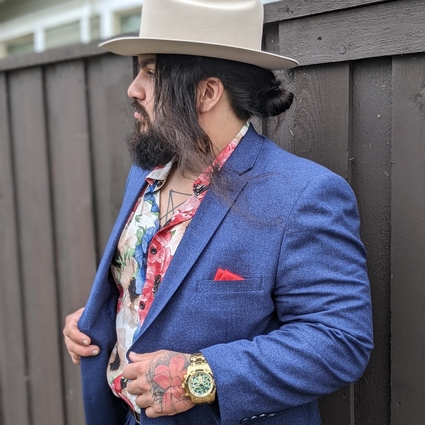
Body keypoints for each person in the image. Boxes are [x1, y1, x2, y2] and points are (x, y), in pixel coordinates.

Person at [63, 1, 373, 424]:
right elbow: (150, 288)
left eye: (151, 72)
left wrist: (197, 377)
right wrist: (100, 319)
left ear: (207, 93)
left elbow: (340, 341)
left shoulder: (304, 194)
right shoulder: (147, 172)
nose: (134, 88)